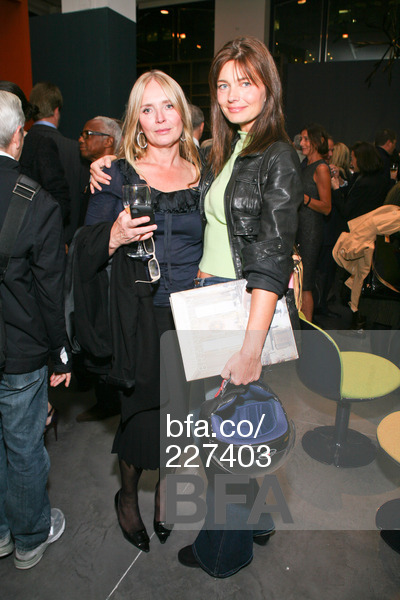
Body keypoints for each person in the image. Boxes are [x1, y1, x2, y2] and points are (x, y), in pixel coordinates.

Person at [175, 36, 302, 577]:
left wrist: (250, 347)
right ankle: (256, 521)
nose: (231, 94)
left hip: (239, 307)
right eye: (223, 84)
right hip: (215, 301)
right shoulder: (232, 148)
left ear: (268, 86)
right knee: (237, 428)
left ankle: (224, 553)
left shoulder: (277, 154)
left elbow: (271, 258)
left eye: (245, 82)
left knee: (224, 441)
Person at [72, 70, 202, 552]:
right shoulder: (116, 174)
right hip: (140, 318)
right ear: (136, 121)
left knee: (180, 416)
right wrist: (115, 235)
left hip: (192, 317)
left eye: (168, 105)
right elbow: (84, 246)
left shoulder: (204, 172)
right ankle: (127, 495)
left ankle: (165, 489)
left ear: (182, 112)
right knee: (142, 418)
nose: (160, 118)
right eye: (147, 109)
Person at [0, 91, 71, 570]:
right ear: (17, 137)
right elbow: (50, 292)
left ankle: (2, 534)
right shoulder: (36, 201)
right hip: (20, 351)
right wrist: (59, 352)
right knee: (24, 446)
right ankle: (29, 538)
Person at [20, 82, 87, 243]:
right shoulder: (76, 150)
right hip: (70, 240)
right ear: (57, 110)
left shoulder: (18, 146)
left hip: (29, 240)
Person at [297, 123, 331, 321]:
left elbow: (327, 207)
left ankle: (307, 329)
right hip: (299, 228)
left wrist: (304, 199)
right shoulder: (305, 166)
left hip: (311, 231)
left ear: (317, 142)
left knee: (306, 283)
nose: (302, 143)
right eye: (301, 139)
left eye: (306, 139)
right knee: (299, 281)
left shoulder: (321, 168)